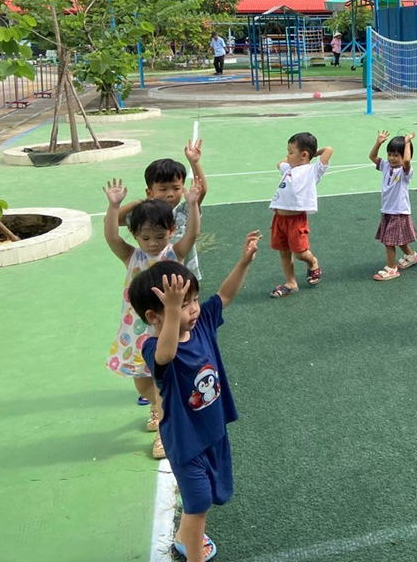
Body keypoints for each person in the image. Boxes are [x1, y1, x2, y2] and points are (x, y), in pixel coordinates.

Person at [132, 231, 261, 562]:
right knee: (199, 503)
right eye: (181, 305)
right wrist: (173, 311)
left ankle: (183, 535)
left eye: (192, 300)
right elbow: (166, 354)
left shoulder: (201, 324)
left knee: (209, 495)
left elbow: (224, 295)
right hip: (185, 441)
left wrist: (243, 263)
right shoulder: (153, 347)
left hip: (212, 430)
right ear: (154, 317)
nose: (192, 309)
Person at [103, 179, 202, 460]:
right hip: (135, 332)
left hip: (166, 332)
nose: (153, 243)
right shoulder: (132, 256)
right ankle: (157, 408)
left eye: (159, 236)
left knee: (161, 382)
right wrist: (114, 207)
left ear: (171, 231)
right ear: (135, 234)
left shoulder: (174, 254)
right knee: (143, 383)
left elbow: (193, 233)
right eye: (145, 238)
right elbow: (111, 237)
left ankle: (164, 432)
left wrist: (192, 204)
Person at [119, 140, 208, 280]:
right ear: (149, 192)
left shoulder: (185, 211)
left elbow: (201, 191)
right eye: (163, 189)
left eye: (176, 188)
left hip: (185, 275)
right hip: (153, 277)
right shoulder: (144, 216)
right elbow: (114, 220)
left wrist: (194, 162)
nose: (170, 194)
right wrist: (140, 202)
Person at [269, 132, 333, 297]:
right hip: (279, 219)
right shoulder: (289, 168)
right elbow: (279, 163)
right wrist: (291, 158)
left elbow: (328, 150)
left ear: (304, 155)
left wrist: (313, 153)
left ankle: (312, 262)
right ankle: (291, 283)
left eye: (291, 152)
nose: (287, 156)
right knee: (284, 252)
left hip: (296, 220)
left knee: (299, 253)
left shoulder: (312, 170)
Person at [369, 130, 417, 280]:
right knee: (398, 239)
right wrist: (378, 143)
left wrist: (407, 142)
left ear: (404, 156)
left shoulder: (405, 172)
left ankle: (391, 268)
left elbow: (407, 162)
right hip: (387, 210)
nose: (391, 158)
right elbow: (372, 156)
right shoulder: (386, 166)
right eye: (390, 154)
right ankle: (411, 255)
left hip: (398, 211)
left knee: (389, 242)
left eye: (396, 155)